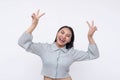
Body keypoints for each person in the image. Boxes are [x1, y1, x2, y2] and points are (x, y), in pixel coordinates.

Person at [18, 10, 99, 80]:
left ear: (70, 40)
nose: (63, 36)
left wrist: (90, 37)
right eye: (62, 32)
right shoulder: (44, 48)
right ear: (57, 33)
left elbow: (93, 55)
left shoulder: (72, 53)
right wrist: (33, 25)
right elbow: (23, 42)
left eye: (68, 36)